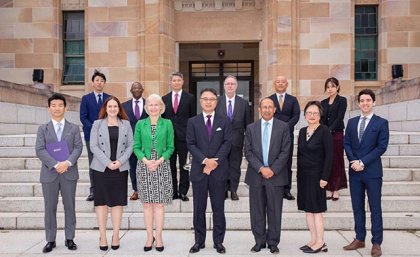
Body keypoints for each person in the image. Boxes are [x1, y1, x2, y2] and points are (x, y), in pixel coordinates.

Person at [343, 89, 389, 257]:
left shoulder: (381, 123)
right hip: (355, 172)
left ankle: (376, 242)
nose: (365, 103)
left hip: (372, 172)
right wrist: (354, 161)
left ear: (374, 102)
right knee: (357, 206)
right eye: (362, 100)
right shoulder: (352, 122)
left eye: (368, 100)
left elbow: (381, 147)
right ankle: (359, 238)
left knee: (375, 207)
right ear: (358, 103)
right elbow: (346, 143)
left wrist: (363, 162)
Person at [35, 93, 83, 253]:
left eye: (60, 105)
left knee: (70, 206)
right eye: (53, 105)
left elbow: (78, 147)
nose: (57, 108)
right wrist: (55, 164)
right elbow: (40, 149)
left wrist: (67, 162)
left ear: (65, 107)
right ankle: (50, 240)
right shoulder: (43, 129)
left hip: (69, 172)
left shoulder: (74, 128)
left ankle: (70, 238)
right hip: (50, 174)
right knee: (50, 207)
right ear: (49, 108)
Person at [187, 88, 232, 254]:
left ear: (216, 101)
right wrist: (205, 161)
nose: (208, 102)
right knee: (198, 208)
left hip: (219, 172)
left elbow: (227, 143)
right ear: (200, 101)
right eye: (205, 99)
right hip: (199, 172)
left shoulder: (225, 121)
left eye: (211, 99)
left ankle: (218, 242)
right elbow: (190, 144)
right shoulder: (193, 122)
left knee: (218, 208)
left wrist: (214, 162)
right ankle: (199, 241)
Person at [244, 97, 291, 254]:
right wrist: (261, 168)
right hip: (256, 175)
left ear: (274, 109)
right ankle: (259, 241)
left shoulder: (283, 127)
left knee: (274, 210)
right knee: (256, 210)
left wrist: (273, 169)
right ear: (259, 109)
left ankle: (273, 242)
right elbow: (248, 152)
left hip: (275, 176)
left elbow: (286, 151)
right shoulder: (251, 128)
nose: (267, 110)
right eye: (264, 107)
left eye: (270, 107)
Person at [89, 96, 133, 251]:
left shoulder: (125, 124)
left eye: (115, 106)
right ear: (105, 109)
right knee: (101, 203)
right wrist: (107, 162)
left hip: (120, 169)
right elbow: (93, 146)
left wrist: (119, 161)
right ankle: (102, 236)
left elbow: (131, 145)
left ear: (119, 108)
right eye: (110, 106)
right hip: (101, 168)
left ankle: (115, 235)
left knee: (117, 202)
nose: (113, 109)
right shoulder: (97, 124)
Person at [133, 94, 174, 252]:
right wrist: (145, 160)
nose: (153, 107)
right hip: (144, 166)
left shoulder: (168, 124)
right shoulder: (140, 124)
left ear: (161, 107)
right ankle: (149, 237)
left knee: (159, 205)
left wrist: (159, 161)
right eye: (150, 105)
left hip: (161, 166)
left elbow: (171, 147)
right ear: (146, 108)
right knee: (147, 204)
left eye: (157, 105)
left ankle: (159, 237)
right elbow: (136, 146)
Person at [296, 101, 332, 254]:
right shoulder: (303, 131)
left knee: (316, 210)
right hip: (304, 177)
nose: (312, 116)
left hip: (318, 177)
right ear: (304, 115)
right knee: (308, 210)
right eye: (309, 113)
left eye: (315, 113)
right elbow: (299, 155)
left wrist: (325, 177)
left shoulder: (324, 131)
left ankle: (321, 242)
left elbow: (329, 156)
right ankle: (313, 240)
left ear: (320, 115)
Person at [162, 72, 196, 201]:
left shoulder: (190, 98)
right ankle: (172, 191)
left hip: (184, 137)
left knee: (184, 165)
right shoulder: (164, 99)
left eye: (178, 80)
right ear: (170, 82)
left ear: (182, 82)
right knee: (170, 166)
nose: (176, 82)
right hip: (169, 138)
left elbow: (192, 119)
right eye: (174, 80)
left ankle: (183, 191)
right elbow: (163, 120)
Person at [216, 75, 251, 201]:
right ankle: (224, 190)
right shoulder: (217, 101)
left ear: (236, 86)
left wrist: (249, 141)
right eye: (227, 84)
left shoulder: (244, 103)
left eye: (232, 84)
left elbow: (248, 123)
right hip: (220, 142)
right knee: (222, 166)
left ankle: (233, 190)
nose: (230, 86)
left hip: (237, 141)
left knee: (235, 167)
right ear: (224, 86)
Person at [80, 70, 111, 201]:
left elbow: (113, 115)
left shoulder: (109, 98)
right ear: (92, 83)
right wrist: (94, 129)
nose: (99, 83)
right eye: (97, 80)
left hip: (107, 136)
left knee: (107, 162)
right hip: (91, 137)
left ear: (104, 83)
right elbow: (83, 117)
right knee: (93, 163)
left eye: (102, 81)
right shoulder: (86, 99)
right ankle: (94, 191)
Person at [268, 75, 300, 200]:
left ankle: (287, 190)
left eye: (283, 82)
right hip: (273, 136)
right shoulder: (269, 99)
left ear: (286, 84)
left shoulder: (293, 99)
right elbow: (267, 114)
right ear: (274, 84)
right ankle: (274, 188)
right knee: (274, 161)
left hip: (288, 135)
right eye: (278, 82)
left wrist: (285, 126)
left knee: (287, 163)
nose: (280, 84)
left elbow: (296, 115)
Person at [320, 77, 348, 201]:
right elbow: (321, 119)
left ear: (337, 87)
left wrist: (329, 130)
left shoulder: (342, 100)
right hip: (325, 135)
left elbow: (339, 118)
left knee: (337, 160)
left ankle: (336, 189)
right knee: (326, 161)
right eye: (328, 87)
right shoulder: (323, 103)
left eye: (332, 86)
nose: (330, 89)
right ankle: (327, 187)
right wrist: (325, 132)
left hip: (336, 134)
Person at [122, 82, 149, 201]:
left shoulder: (149, 104)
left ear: (143, 90)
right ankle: (136, 190)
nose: (137, 89)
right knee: (133, 166)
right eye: (134, 88)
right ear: (131, 91)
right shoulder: (124, 106)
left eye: (139, 87)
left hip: (147, 141)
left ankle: (147, 189)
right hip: (131, 141)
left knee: (147, 165)